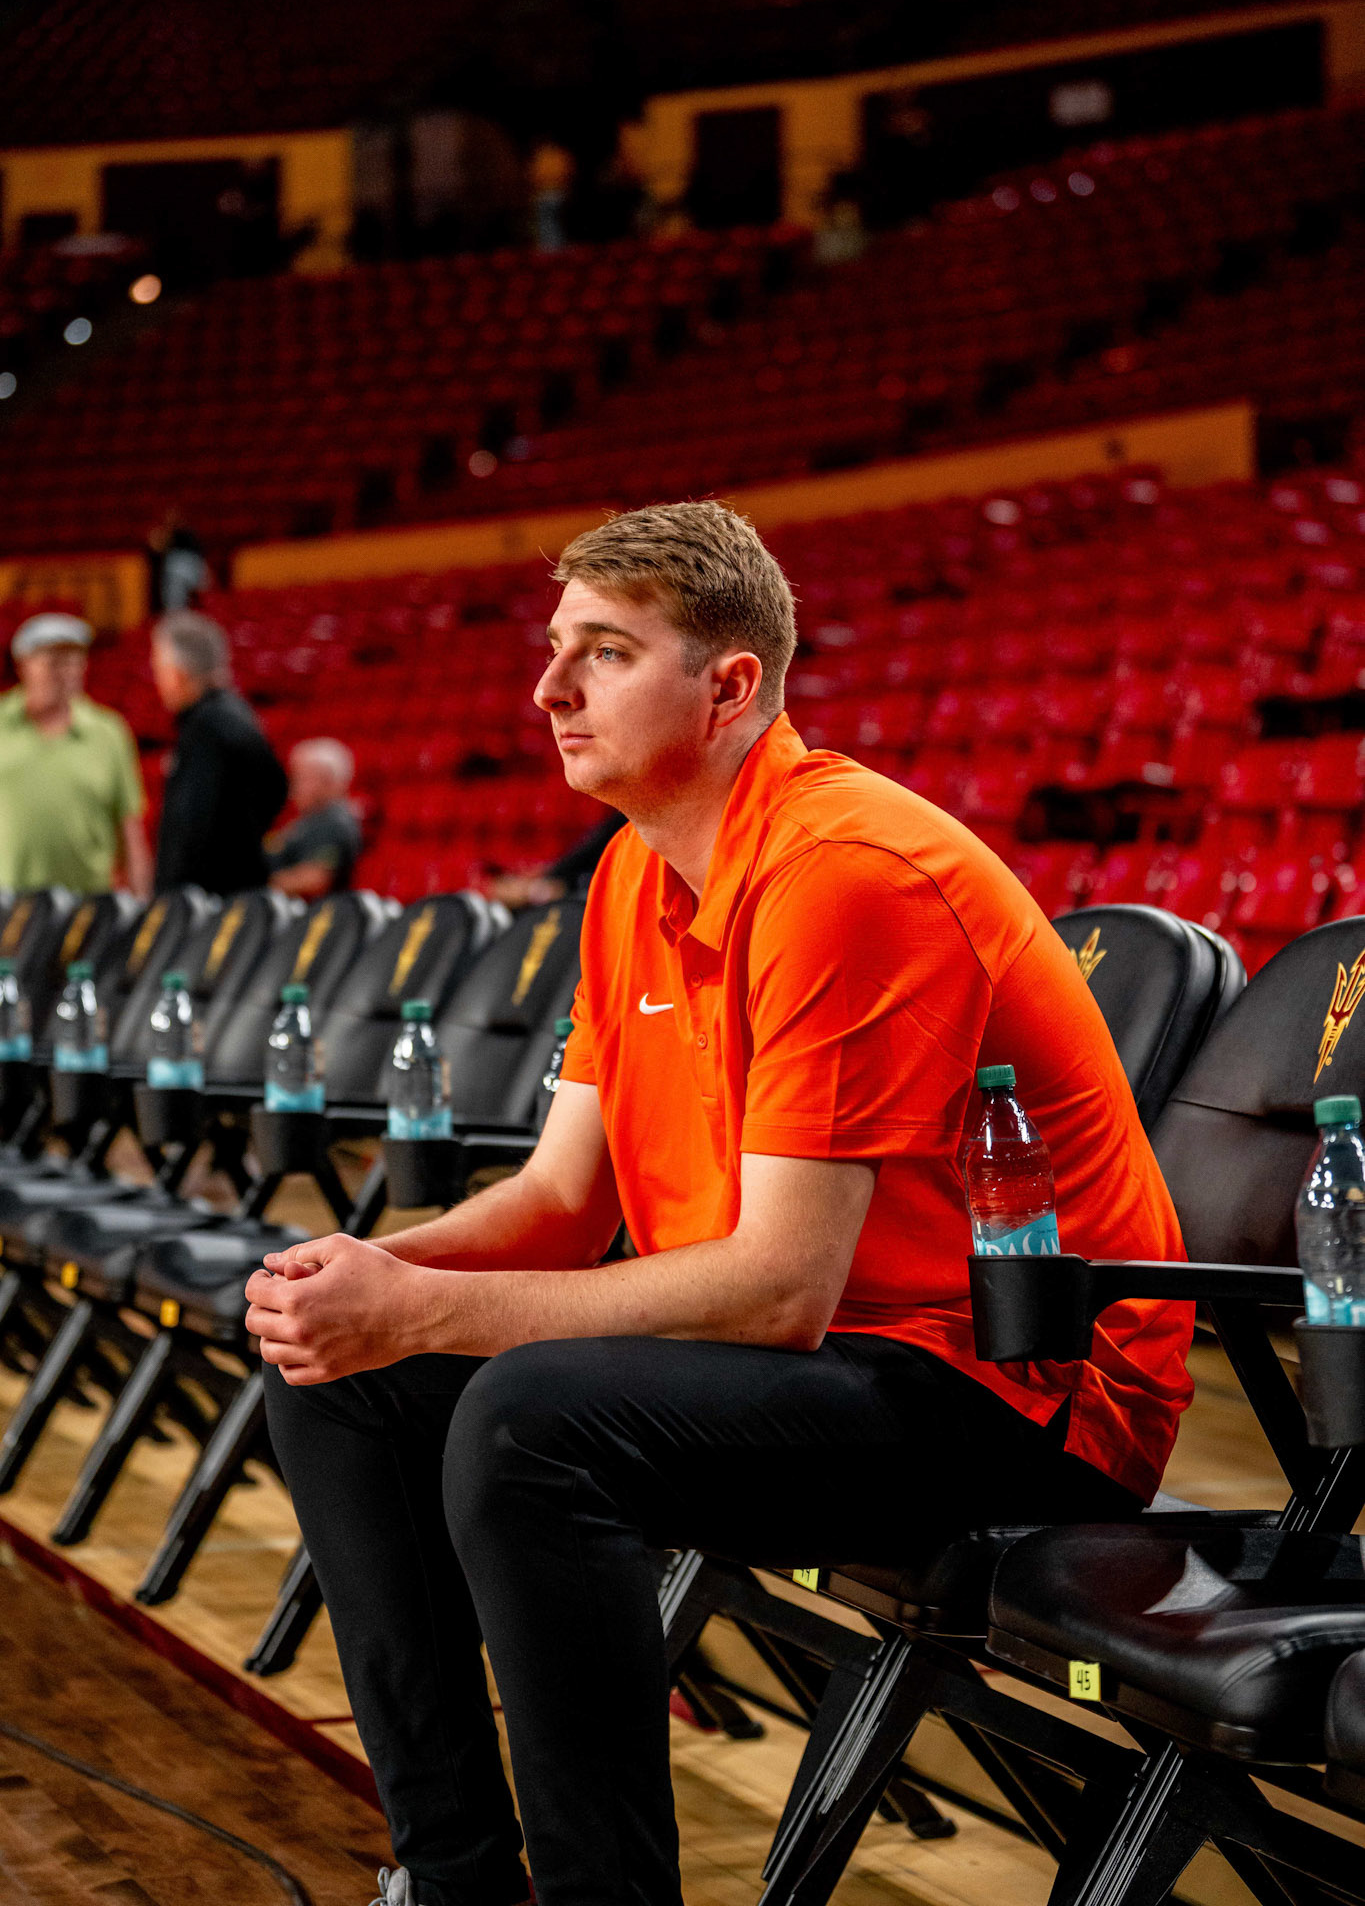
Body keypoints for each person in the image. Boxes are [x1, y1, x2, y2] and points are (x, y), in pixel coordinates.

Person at [248, 501, 1194, 1906]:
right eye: (553, 648)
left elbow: (776, 1285)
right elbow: (563, 1201)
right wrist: (355, 1275)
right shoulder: (633, 868)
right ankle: (451, 1878)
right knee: (341, 1380)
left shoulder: (845, 873)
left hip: (1018, 1394)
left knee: (530, 1423)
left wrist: (426, 1305)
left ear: (731, 684)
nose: (548, 689)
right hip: (832, 1361)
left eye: (604, 652)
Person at [0, 612, 152, 895]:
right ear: (24, 665)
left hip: (88, 905)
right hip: (7, 904)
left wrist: (141, 905)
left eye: (75, 661)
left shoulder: (108, 733)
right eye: (54, 662)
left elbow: (130, 830)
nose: (67, 672)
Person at [151, 611, 287, 896]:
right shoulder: (234, 716)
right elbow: (276, 789)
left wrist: (174, 900)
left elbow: (192, 830)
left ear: (178, 673)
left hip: (208, 905)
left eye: (159, 667)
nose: (157, 678)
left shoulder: (208, 726)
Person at [266, 738, 363, 899]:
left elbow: (315, 881)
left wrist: (254, 883)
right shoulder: (310, 819)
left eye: (300, 778)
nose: (293, 788)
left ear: (328, 781)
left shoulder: (334, 823)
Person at [487, 807, 624, 909]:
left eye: (510, 881)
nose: (515, 881)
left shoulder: (560, 869)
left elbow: (594, 847)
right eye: (510, 888)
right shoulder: (543, 915)